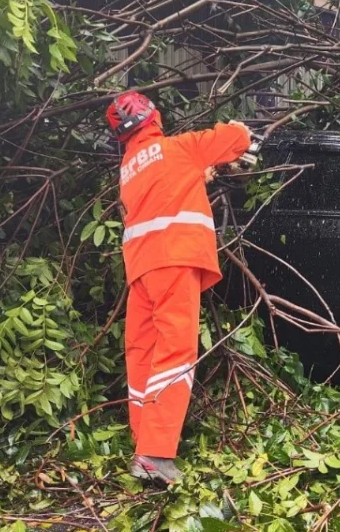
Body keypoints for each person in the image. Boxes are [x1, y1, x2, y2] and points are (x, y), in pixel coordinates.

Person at [106, 91, 252, 484]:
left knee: (143, 354)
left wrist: (198, 175)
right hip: (175, 262)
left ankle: (143, 444)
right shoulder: (180, 148)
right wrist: (239, 128)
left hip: (142, 270)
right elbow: (236, 138)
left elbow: (164, 189)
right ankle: (155, 454)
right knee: (175, 352)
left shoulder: (129, 169)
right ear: (154, 118)